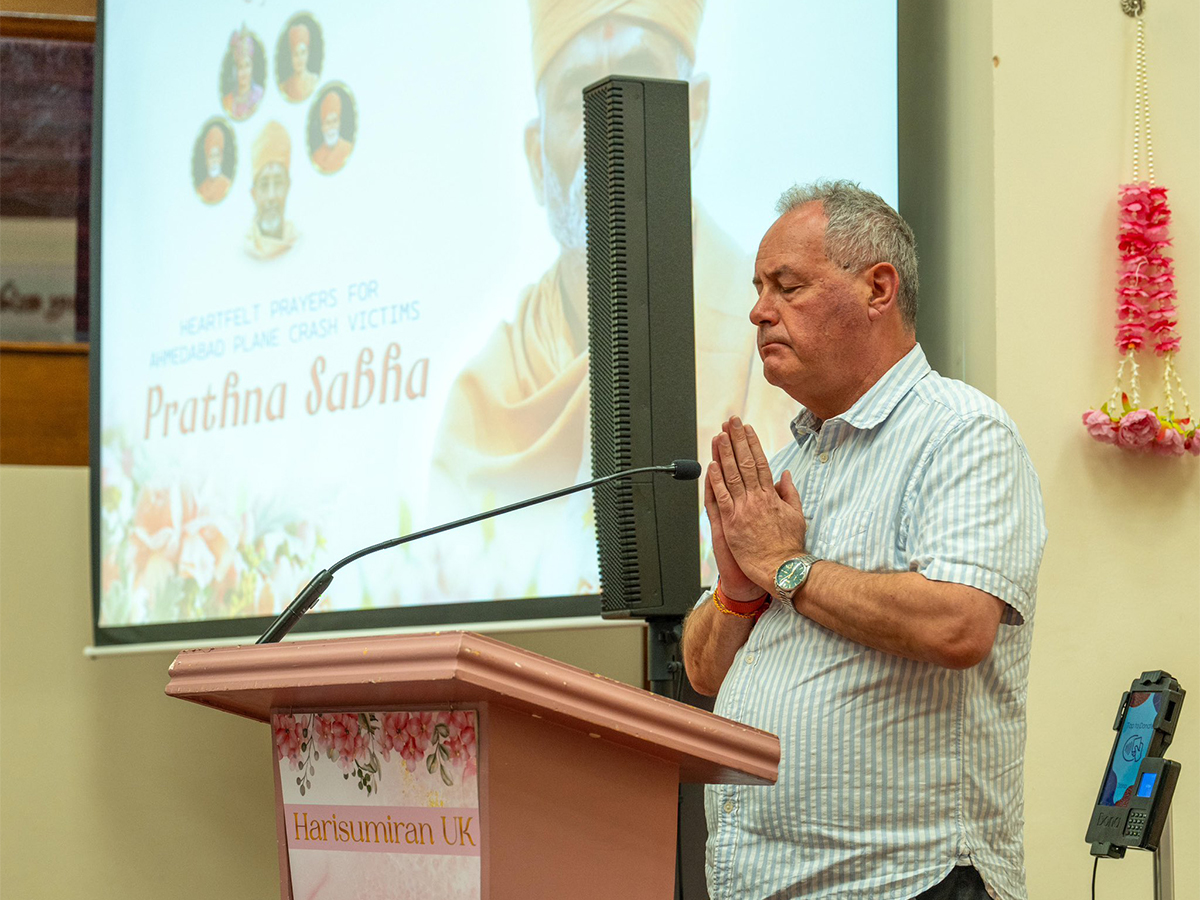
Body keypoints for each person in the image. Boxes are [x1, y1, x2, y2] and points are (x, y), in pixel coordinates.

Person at [681, 181, 1047, 900]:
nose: (758, 311)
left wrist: (787, 568)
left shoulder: (963, 433)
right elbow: (703, 673)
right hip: (758, 882)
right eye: (758, 289)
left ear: (879, 288)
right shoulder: (779, 472)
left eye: (788, 286)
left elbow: (957, 624)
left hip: (908, 881)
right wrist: (738, 589)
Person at [425, 0, 796, 600]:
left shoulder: (772, 337)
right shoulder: (487, 393)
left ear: (694, 113)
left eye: (639, 80)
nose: (610, 124)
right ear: (534, 153)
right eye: (579, 95)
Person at [245, 121, 297, 260]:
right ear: (253, 194)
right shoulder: (243, 252)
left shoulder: (300, 242)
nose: (271, 196)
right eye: (264, 184)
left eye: (279, 183)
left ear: (288, 187)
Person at [223, 27, 264, 121]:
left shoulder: (259, 95)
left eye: (247, 66)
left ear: (252, 68)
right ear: (235, 71)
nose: (244, 72)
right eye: (240, 67)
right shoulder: (228, 101)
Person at [311, 90, 353, 174]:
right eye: (328, 123)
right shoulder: (316, 157)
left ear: (339, 124)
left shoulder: (348, 149)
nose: (331, 128)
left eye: (334, 121)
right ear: (322, 127)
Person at [281, 21, 319, 102]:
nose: (300, 59)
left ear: (308, 54)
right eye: (296, 54)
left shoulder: (315, 81)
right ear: (291, 57)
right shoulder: (284, 87)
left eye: (303, 53)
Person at [196, 124, 231, 204]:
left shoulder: (226, 185)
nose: (214, 161)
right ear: (206, 160)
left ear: (221, 158)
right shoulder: (201, 189)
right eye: (211, 156)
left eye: (217, 156)